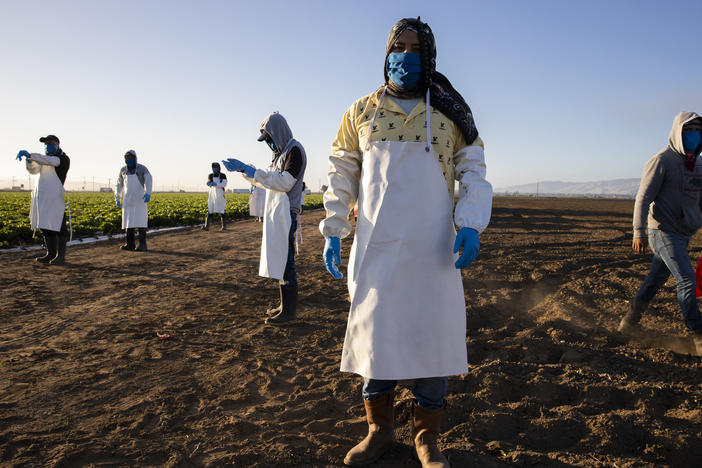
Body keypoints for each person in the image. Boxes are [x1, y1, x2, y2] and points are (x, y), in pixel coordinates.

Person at [319, 18, 492, 468]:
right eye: (399, 46)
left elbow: (473, 170)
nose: (406, 56)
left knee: (431, 341)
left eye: (416, 48)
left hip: (433, 253)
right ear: (386, 51)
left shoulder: (453, 113)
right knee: (376, 343)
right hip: (377, 252)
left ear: (429, 55)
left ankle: (427, 438)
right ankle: (378, 431)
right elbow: (341, 174)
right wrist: (334, 229)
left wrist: (470, 223)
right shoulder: (361, 111)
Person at [619, 112, 702, 338]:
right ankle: (697, 332)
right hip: (662, 230)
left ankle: (629, 322)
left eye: (698, 130)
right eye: (689, 130)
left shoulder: (698, 164)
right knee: (686, 279)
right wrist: (638, 232)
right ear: (678, 132)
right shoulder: (661, 161)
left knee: (655, 279)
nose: (695, 135)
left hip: (684, 233)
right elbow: (643, 197)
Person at [222, 112, 307, 325]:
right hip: (276, 213)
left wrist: (254, 171)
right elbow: (267, 181)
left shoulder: (294, 151)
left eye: (269, 138)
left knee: (286, 260)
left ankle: (290, 311)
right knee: (279, 257)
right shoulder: (280, 154)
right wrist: (246, 171)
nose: (268, 143)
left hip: (287, 212)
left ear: (278, 133)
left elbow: (284, 183)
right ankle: (283, 305)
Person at [16, 134, 71, 265]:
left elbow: (51, 161)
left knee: (59, 226)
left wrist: (31, 155)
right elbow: (34, 170)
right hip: (42, 198)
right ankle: (50, 253)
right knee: (46, 226)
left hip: (54, 198)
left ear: (57, 144)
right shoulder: (43, 159)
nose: (47, 146)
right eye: (45, 144)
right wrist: (29, 161)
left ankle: (60, 256)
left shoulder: (62, 158)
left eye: (50, 143)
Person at [115, 150, 152, 251]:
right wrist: (117, 197)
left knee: (141, 222)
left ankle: (142, 245)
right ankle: (130, 244)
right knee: (128, 222)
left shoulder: (142, 169)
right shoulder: (123, 170)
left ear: (135, 158)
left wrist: (148, 192)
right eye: (127, 158)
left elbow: (149, 179)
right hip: (128, 200)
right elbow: (119, 185)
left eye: (131, 158)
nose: (129, 160)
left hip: (140, 200)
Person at [203, 162, 228, 231]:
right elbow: (209, 182)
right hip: (212, 194)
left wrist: (215, 184)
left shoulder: (223, 175)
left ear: (219, 168)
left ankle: (224, 226)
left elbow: (224, 184)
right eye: (214, 167)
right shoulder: (210, 175)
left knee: (221, 210)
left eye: (216, 167)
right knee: (210, 210)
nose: (215, 169)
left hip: (220, 194)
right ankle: (206, 226)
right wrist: (209, 183)